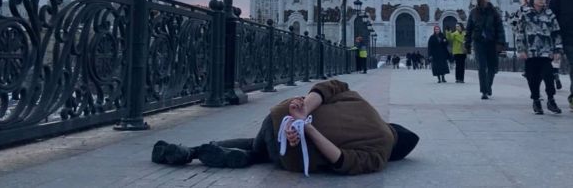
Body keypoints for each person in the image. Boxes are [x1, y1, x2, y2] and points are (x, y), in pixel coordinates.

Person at [151, 80, 419, 175]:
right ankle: (216, 153)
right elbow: (341, 160)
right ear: (396, 153)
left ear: (392, 126)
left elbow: (329, 87)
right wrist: (307, 129)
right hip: (290, 153)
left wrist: (303, 114)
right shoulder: (379, 155)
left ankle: (193, 151)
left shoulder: (364, 105)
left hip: (281, 116)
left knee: (260, 143)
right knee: (262, 152)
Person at [515, 0, 563, 114]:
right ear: (532, 0)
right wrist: (521, 50)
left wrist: (557, 50)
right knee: (533, 78)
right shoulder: (525, 14)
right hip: (530, 52)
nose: (542, 0)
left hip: (546, 52)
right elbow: (519, 32)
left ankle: (551, 100)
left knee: (549, 76)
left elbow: (556, 32)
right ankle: (536, 100)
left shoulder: (549, 14)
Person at [465, 0, 506, 100]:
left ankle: (488, 86)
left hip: (492, 42)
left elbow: (500, 28)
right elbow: (469, 29)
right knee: (482, 66)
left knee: (492, 67)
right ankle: (484, 90)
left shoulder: (494, 12)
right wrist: (467, 44)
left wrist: (501, 43)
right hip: (479, 42)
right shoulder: (474, 12)